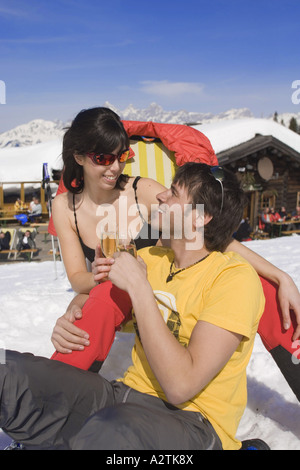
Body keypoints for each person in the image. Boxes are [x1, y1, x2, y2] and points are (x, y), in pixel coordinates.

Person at [0, 163, 266, 450]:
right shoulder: (151, 258)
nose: (162, 196)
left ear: (201, 218)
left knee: (109, 434)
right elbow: (98, 295)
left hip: (194, 425)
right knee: (6, 371)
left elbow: (181, 386)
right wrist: (73, 312)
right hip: (121, 400)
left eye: (174, 193)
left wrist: (140, 289)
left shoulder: (234, 279)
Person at [49, 108, 300, 394]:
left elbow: (208, 234)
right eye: (103, 158)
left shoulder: (140, 190)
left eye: (122, 156)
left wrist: (281, 277)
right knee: (86, 308)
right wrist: (104, 277)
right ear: (78, 157)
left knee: (264, 289)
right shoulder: (65, 207)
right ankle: (50, 400)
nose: (115, 167)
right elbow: (77, 279)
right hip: (117, 295)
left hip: (168, 289)